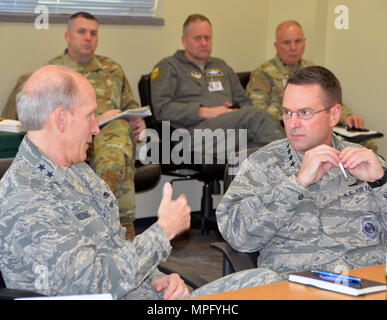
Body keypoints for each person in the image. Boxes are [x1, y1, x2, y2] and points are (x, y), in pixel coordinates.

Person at [0, 65, 286, 299]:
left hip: (147, 297)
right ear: (61, 120)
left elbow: (117, 249)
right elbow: (88, 284)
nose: (96, 128)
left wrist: (160, 279)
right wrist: (162, 233)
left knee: (268, 284)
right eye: (90, 116)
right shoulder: (26, 195)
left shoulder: (78, 172)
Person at [217, 66, 386, 281]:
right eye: (287, 113)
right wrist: (297, 184)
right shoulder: (262, 165)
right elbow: (238, 237)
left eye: (304, 113)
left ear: (334, 114)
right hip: (300, 285)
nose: (293, 124)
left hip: (368, 282)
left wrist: (381, 183)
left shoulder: (364, 162)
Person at [47, 12, 144, 240]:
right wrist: (96, 121)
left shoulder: (112, 68)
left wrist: (137, 120)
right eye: (82, 32)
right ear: (67, 36)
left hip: (112, 139)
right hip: (73, 144)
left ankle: (113, 218)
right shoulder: (53, 72)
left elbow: (130, 104)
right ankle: (116, 223)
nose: (88, 38)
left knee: (120, 130)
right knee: (117, 134)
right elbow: (48, 122)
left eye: (93, 33)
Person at [150, 14, 284, 159]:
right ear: (184, 41)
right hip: (193, 134)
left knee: (260, 149)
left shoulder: (221, 66)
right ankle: (295, 169)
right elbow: (162, 109)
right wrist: (205, 112)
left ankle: (287, 170)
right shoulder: (168, 67)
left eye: (207, 38)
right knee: (259, 115)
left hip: (229, 131)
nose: (204, 43)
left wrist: (235, 111)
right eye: (197, 38)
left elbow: (245, 103)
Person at [246, 20, 377, 151]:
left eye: (298, 41)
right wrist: (293, 114)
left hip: (315, 126)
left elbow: (328, 99)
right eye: (287, 42)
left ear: (304, 42)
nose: (293, 47)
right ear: (276, 45)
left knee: (366, 145)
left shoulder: (312, 69)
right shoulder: (263, 74)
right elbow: (258, 110)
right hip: (283, 130)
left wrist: (347, 116)